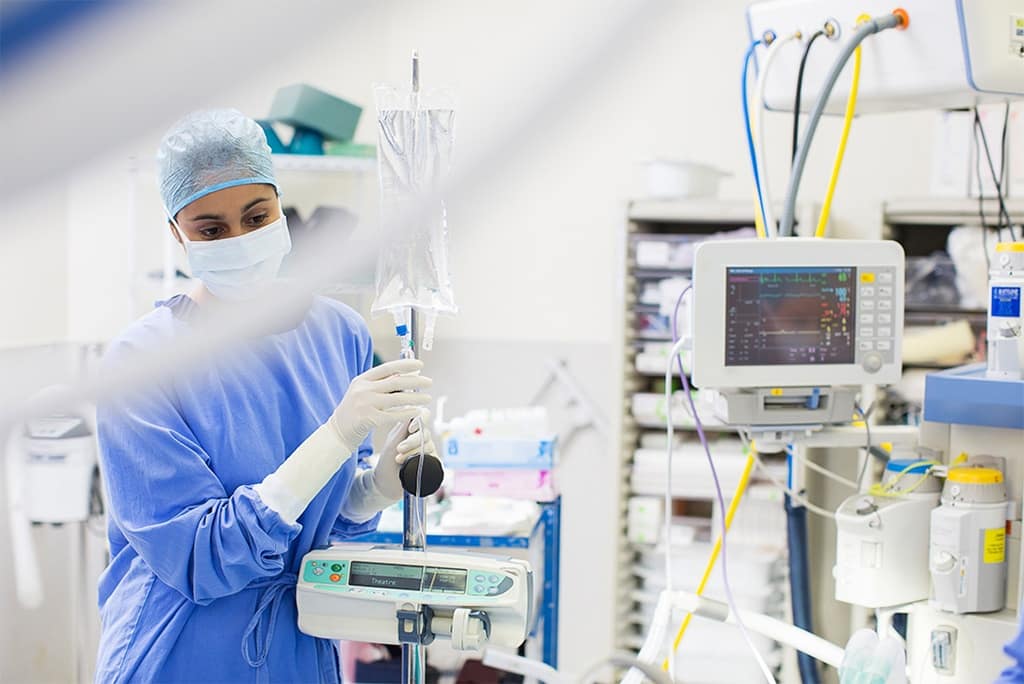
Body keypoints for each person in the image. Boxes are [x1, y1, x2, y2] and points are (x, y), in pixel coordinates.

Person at [94, 109, 436, 683]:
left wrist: (374, 485)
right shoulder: (140, 366)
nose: (241, 241)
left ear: (281, 206)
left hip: (297, 649)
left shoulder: (338, 332)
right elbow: (202, 559)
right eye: (211, 229)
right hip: (183, 652)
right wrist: (333, 437)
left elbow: (324, 522)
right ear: (176, 233)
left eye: (257, 216)